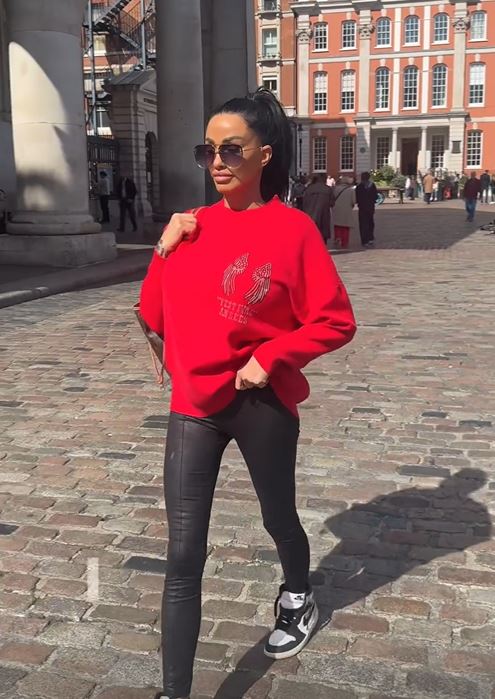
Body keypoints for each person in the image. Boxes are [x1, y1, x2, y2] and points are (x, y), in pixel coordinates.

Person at [139, 88, 356, 699]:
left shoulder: (292, 232)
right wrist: (162, 250)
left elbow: (336, 320)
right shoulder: (191, 228)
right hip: (193, 406)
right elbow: (151, 313)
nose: (217, 161)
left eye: (231, 148)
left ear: (265, 154)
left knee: (277, 516)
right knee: (183, 554)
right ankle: (173, 692)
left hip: (261, 403)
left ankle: (297, 596)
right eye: (207, 149)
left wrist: (272, 355)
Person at [302, 173, 334, 243]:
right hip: (324, 214)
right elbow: (332, 203)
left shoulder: (309, 189)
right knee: (323, 234)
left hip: (310, 213)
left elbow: (304, 202)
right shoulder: (328, 189)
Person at [331, 176, 356, 249]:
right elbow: (354, 201)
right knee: (345, 226)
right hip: (347, 209)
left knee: (337, 225)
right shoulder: (351, 190)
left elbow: (332, 198)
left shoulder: (335, 189)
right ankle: (344, 242)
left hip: (336, 208)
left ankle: (337, 237)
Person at [355, 171, 378, 248]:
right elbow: (375, 196)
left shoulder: (359, 186)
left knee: (363, 224)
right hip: (370, 207)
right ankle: (370, 238)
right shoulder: (372, 185)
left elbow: (357, 197)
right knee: (370, 222)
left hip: (362, 207)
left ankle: (364, 240)